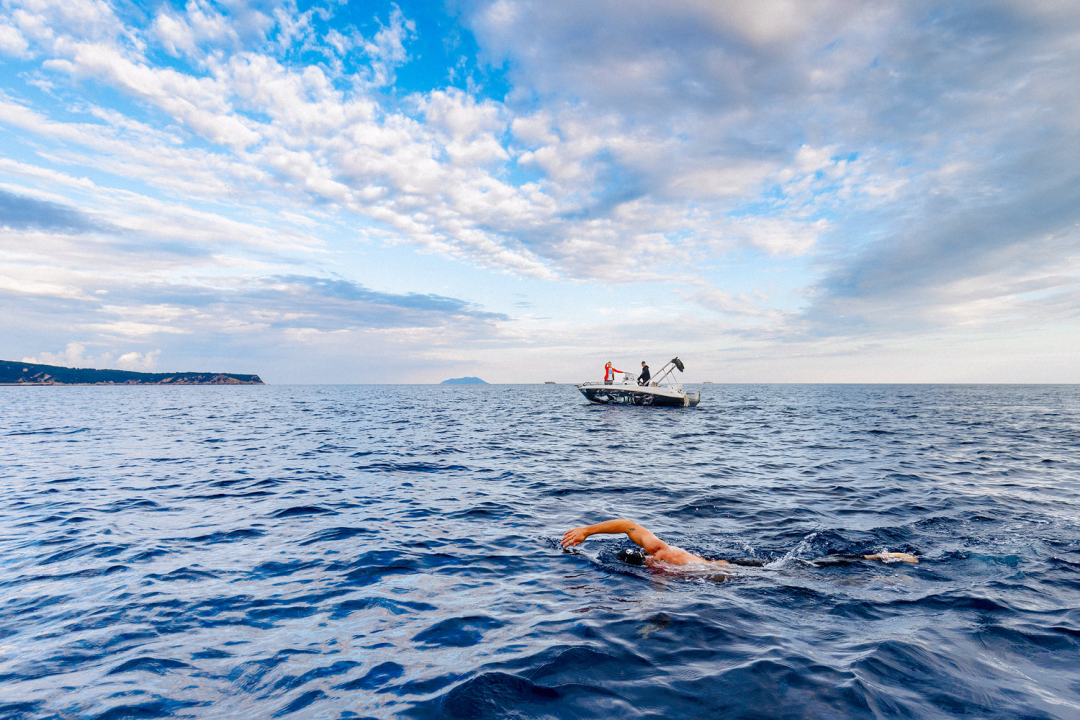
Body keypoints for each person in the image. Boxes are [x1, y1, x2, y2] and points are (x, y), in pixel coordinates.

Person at [561, 518, 918, 566]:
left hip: (743, 576)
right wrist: (587, 532)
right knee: (819, 567)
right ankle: (881, 557)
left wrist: (653, 626)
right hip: (733, 570)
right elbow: (628, 525)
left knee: (818, 569)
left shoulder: (661, 559)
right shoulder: (658, 551)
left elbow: (628, 525)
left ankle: (888, 558)